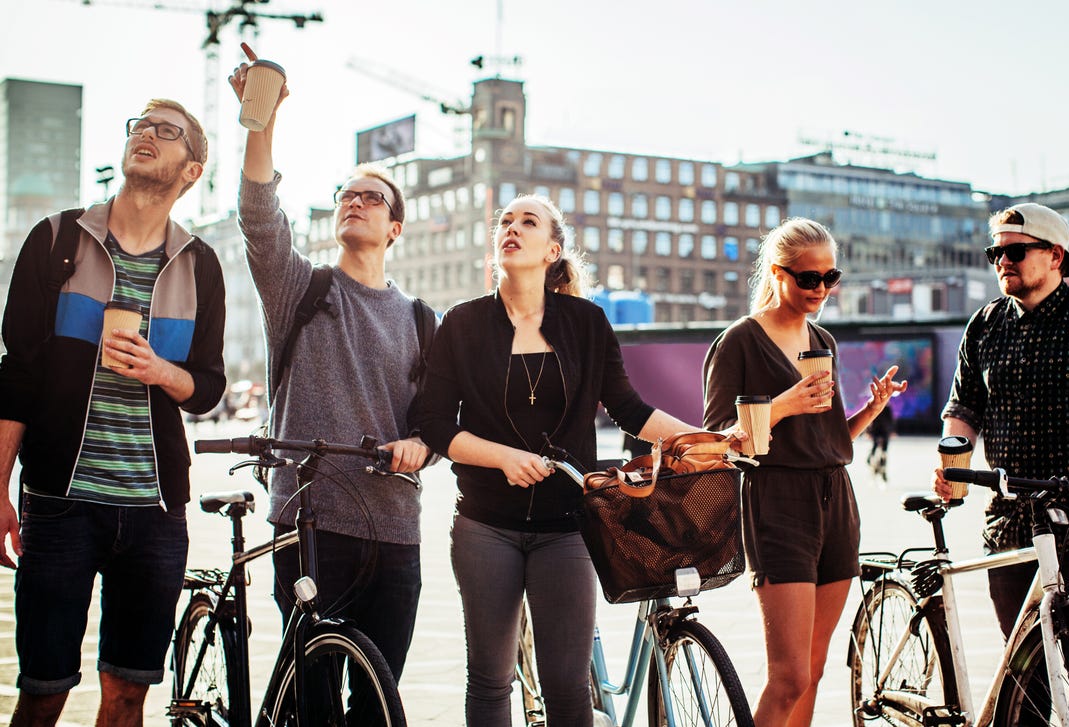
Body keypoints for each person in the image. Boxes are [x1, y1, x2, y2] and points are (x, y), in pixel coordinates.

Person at [412, 194, 710, 725]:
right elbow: (434, 422)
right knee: (489, 681)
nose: (511, 228)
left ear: (552, 250)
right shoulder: (461, 322)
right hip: (485, 525)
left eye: (527, 222)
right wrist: (502, 457)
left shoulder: (587, 322)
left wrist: (704, 439)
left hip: (568, 526)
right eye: (505, 221)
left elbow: (628, 408)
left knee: (569, 688)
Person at [0, 99, 226, 725]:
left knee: (128, 694)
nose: (147, 135)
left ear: (193, 169)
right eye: (141, 126)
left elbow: (207, 387)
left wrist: (161, 372)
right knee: (43, 691)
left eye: (167, 131)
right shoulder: (55, 240)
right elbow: (15, 376)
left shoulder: (200, 264)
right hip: (59, 504)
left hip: (155, 513)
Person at [230, 47, 433, 706]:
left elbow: (437, 422)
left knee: (379, 702)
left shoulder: (421, 318)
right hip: (310, 522)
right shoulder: (302, 288)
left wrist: (422, 445)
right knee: (311, 700)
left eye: (372, 197)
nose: (356, 202)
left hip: (397, 532)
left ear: (394, 226)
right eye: (347, 194)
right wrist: (262, 122)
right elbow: (260, 219)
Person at [702, 218, 906, 727]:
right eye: (808, 278)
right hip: (776, 501)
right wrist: (784, 404)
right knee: (788, 675)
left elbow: (829, 441)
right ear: (778, 273)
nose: (821, 289)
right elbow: (717, 437)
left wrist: (870, 411)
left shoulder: (824, 341)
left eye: (829, 278)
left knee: (814, 672)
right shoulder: (739, 342)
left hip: (836, 497)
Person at [934, 202, 1069, 639]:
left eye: (1015, 253)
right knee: (1022, 666)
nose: (1002, 262)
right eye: (994, 254)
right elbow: (963, 410)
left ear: (1055, 257)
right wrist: (951, 462)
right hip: (1009, 519)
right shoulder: (985, 325)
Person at [866, 401, 895, 482]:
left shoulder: (887, 408)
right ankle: (871, 460)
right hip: (876, 431)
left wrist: (892, 431)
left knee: (884, 451)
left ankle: (882, 467)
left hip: (884, 431)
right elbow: (869, 419)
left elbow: (891, 420)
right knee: (874, 447)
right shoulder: (875, 406)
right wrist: (868, 431)